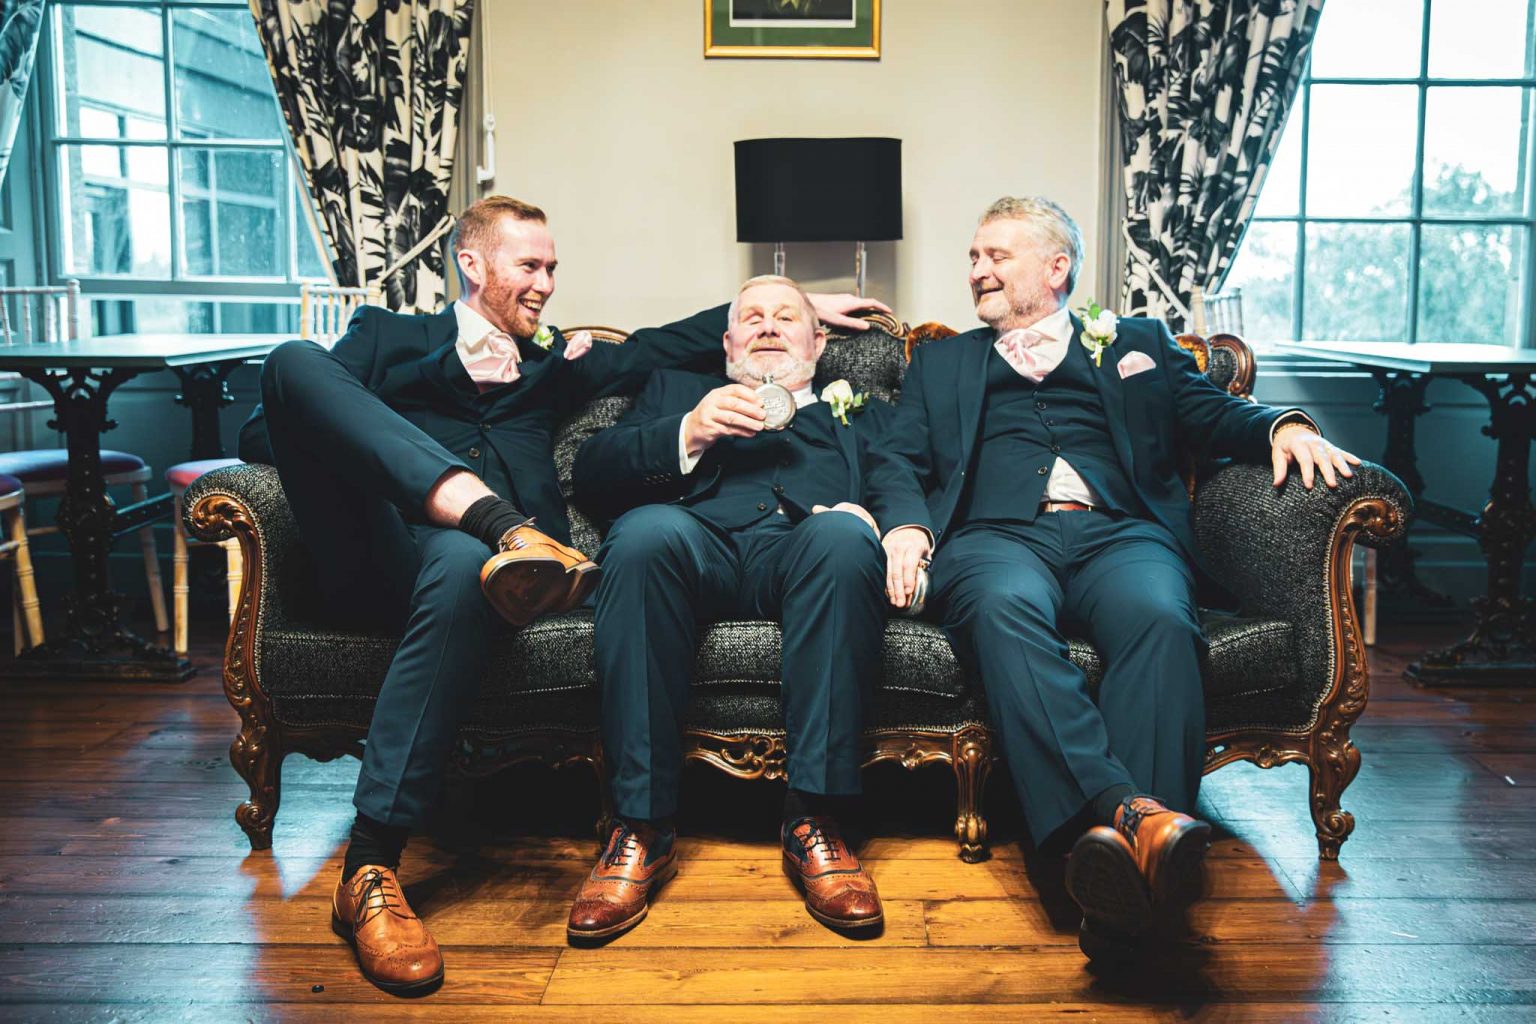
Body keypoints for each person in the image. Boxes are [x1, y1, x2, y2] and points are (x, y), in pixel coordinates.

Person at [238, 197, 883, 993]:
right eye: (529, 267)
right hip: (378, 539)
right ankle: (495, 520)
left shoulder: (551, 363)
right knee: (291, 360)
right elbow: (270, 430)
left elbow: (657, 346)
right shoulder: (388, 338)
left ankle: (369, 868)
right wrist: (413, 398)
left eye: (552, 268)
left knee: (462, 563)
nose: (546, 284)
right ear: (472, 265)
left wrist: (793, 309)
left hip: (487, 574)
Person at [877, 197, 1361, 956]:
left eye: (996, 255)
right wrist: (907, 525)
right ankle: (1133, 818)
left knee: (1161, 618)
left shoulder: (1136, 343)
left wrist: (1284, 425)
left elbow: (1213, 411)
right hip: (996, 539)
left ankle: (1116, 884)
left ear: (1056, 267)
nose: (977, 270)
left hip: (1121, 534)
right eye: (973, 258)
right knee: (1002, 609)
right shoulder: (941, 363)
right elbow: (895, 458)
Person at [567, 275, 929, 941]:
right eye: (752, 317)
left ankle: (816, 818)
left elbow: (901, 477)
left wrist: (898, 526)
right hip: (693, 544)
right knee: (642, 535)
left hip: (804, 550)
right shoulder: (676, 389)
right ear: (728, 342)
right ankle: (642, 826)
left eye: (786, 317)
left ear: (817, 343)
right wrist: (691, 429)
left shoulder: (863, 414)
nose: (767, 326)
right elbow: (590, 470)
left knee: (844, 536)